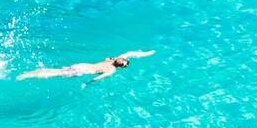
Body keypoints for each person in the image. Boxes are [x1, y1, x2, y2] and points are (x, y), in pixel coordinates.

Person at [16, 50, 154, 81]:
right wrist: (146, 53)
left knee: (56, 72)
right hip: (81, 67)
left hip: (81, 70)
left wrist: (87, 83)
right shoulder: (112, 61)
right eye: (123, 59)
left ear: (121, 65)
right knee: (56, 70)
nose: (123, 58)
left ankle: (27, 75)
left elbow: (98, 78)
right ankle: (30, 73)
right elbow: (130, 53)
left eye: (123, 61)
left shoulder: (111, 68)